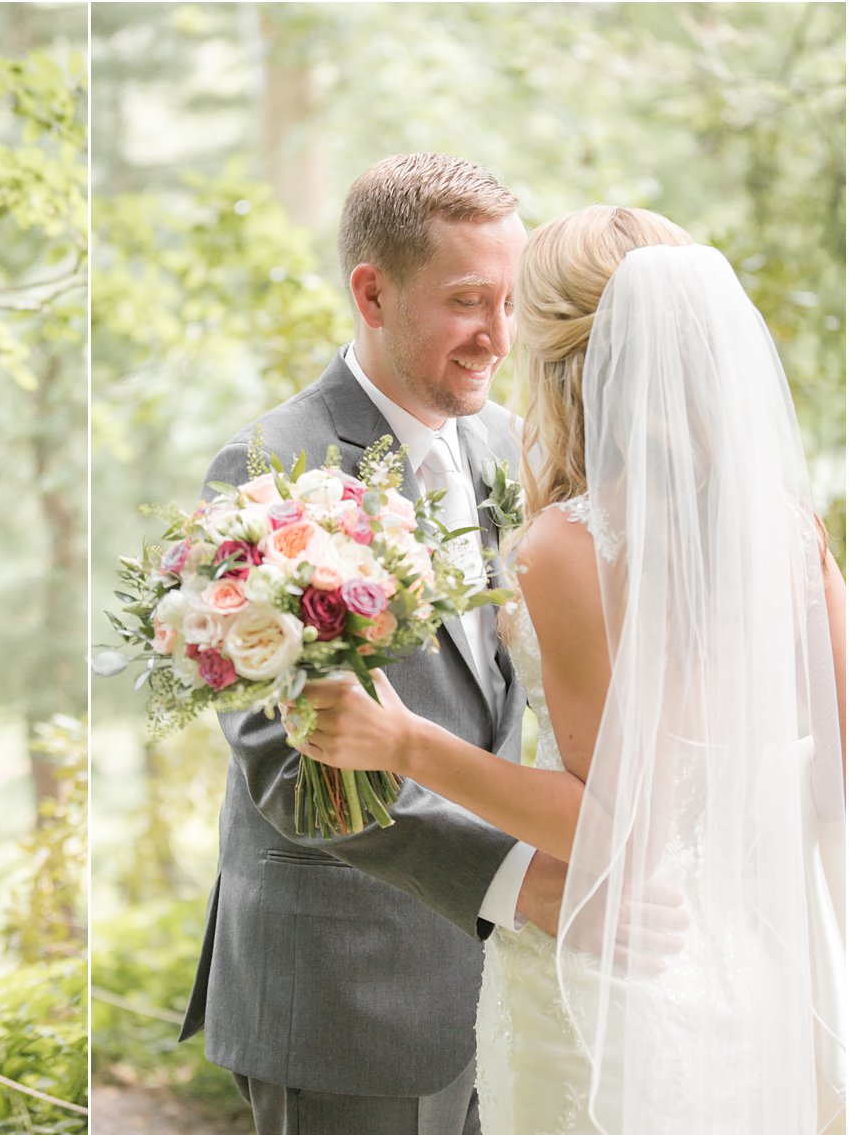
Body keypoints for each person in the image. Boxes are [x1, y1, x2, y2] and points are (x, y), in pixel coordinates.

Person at [300, 207, 847, 1133]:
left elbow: (614, 827)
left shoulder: (571, 544)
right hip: (746, 962)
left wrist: (406, 741)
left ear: (567, 355)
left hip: (610, 974)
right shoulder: (788, 529)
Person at [179, 152, 569, 1135]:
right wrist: (512, 876)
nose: (497, 336)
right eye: (467, 301)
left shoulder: (506, 452)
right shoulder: (271, 466)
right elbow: (282, 756)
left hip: (496, 988)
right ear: (370, 292)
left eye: (510, 302)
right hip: (343, 989)